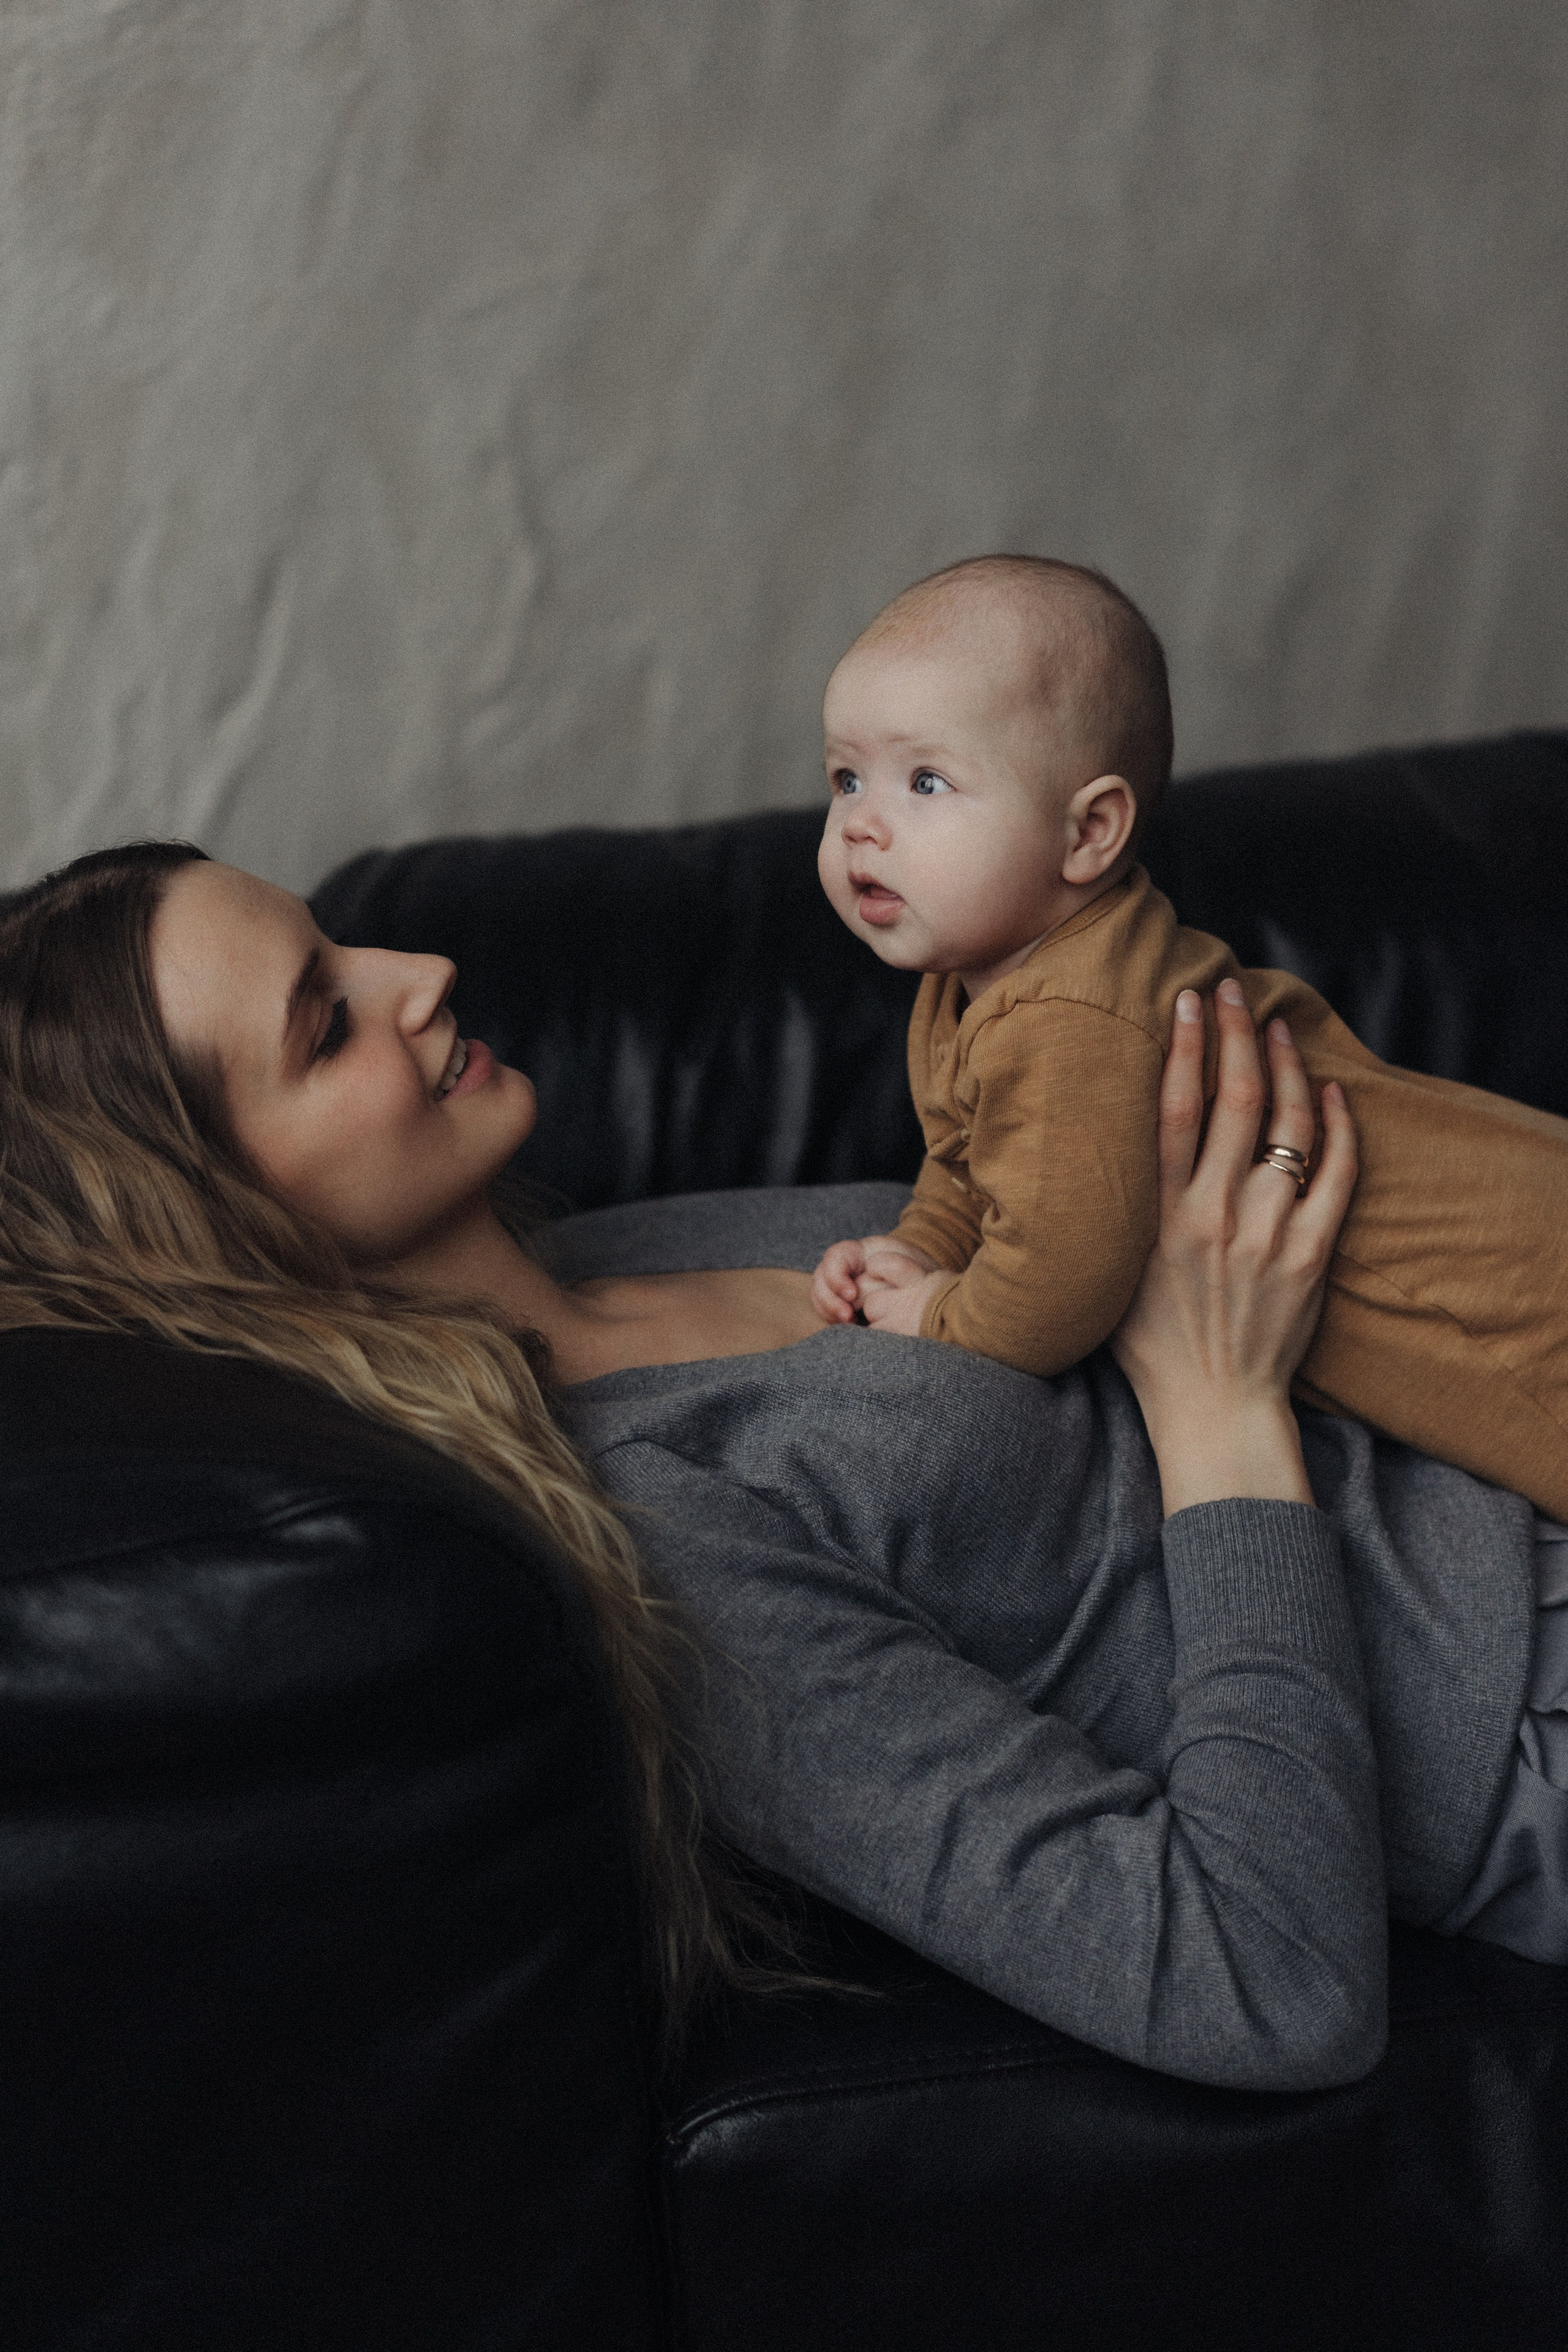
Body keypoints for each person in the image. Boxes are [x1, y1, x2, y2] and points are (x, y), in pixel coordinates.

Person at [0, 844, 1558, 2094]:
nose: (420, 975)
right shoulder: (656, 1530)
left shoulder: (638, 1244)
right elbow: (1257, 1986)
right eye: (325, 1022)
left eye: (345, 943)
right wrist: (1220, 1403)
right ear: (220, 1228)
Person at [810, 554, 1568, 1522]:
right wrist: (916, 1251)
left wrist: (938, 1320)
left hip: (1507, 1289)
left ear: (1090, 833)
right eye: (844, 778)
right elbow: (975, 1162)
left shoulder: (1068, 1017)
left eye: (925, 780)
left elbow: (1057, 1283)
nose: (862, 825)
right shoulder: (981, 983)